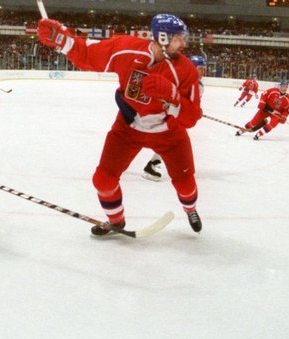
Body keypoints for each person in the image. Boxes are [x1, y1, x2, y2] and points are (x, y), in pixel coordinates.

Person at [37, 13, 204, 235]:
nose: (183, 43)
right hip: (128, 128)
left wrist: (173, 96)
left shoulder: (186, 70)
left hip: (169, 133)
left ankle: (190, 209)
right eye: (178, 38)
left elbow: (191, 118)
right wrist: (62, 39)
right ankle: (116, 221)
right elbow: (88, 54)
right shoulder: (127, 49)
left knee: (185, 184)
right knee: (103, 180)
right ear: (163, 38)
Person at [143, 53, 206, 181]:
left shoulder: (198, 85)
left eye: (203, 69)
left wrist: (195, 112)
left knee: (168, 141)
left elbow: (188, 104)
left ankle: (153, 164)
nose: (202, 72)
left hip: (174, 116)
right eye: (200, 69)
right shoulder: (185, 80)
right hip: (167, 114)